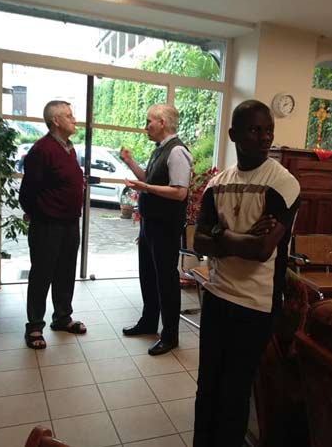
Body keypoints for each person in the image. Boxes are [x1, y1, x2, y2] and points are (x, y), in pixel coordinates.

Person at [192, 100, 300, 447]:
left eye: (269, 130)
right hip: (217, 294)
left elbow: (262, 249)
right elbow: (198, 241)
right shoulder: (217, 184)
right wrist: (236, 237)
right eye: (255, 130)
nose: (265, 137)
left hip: (256, 304)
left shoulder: (282, 184)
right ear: (233, 134)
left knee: (235, 390)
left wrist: (219, 236)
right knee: (208, 384)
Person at [119, 103, 192, 356]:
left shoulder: (177, 151)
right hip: (150, 224)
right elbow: (148, 180)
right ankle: (149, 322)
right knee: (148, 275)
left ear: (162, 123)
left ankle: (170, 335)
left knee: (166, 281)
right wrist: (129, 162)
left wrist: (146, 188)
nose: (146, 126)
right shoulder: (160, 149)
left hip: (165, 227)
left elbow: (179, 192)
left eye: (149, 121)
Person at [19, 100, 87, 350]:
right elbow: (28, 191)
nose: (74, 119)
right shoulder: (42, 150)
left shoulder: (69, 148)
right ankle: (35, 326)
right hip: (48, 224)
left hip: (70, 223)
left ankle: (62, 318)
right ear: (55, 121)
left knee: (65, 272)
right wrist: (35, 213)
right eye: (69, 115)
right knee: (42, 274)